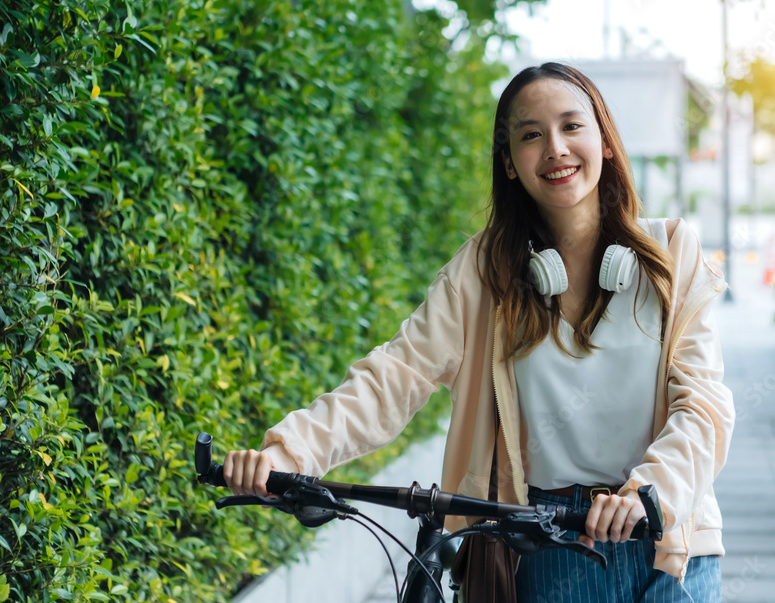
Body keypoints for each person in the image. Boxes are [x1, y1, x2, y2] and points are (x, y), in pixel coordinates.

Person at [224, 62, 734, 602]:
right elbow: (394, 375)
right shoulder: (485, 272)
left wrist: (646, 492)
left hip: (670, 542)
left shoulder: (672, 255)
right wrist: (290, 453)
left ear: (605, 141)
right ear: (510, 163)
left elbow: (704, 406)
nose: (556, 148)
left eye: (572, 126)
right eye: (531, 135)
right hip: (553, 549)